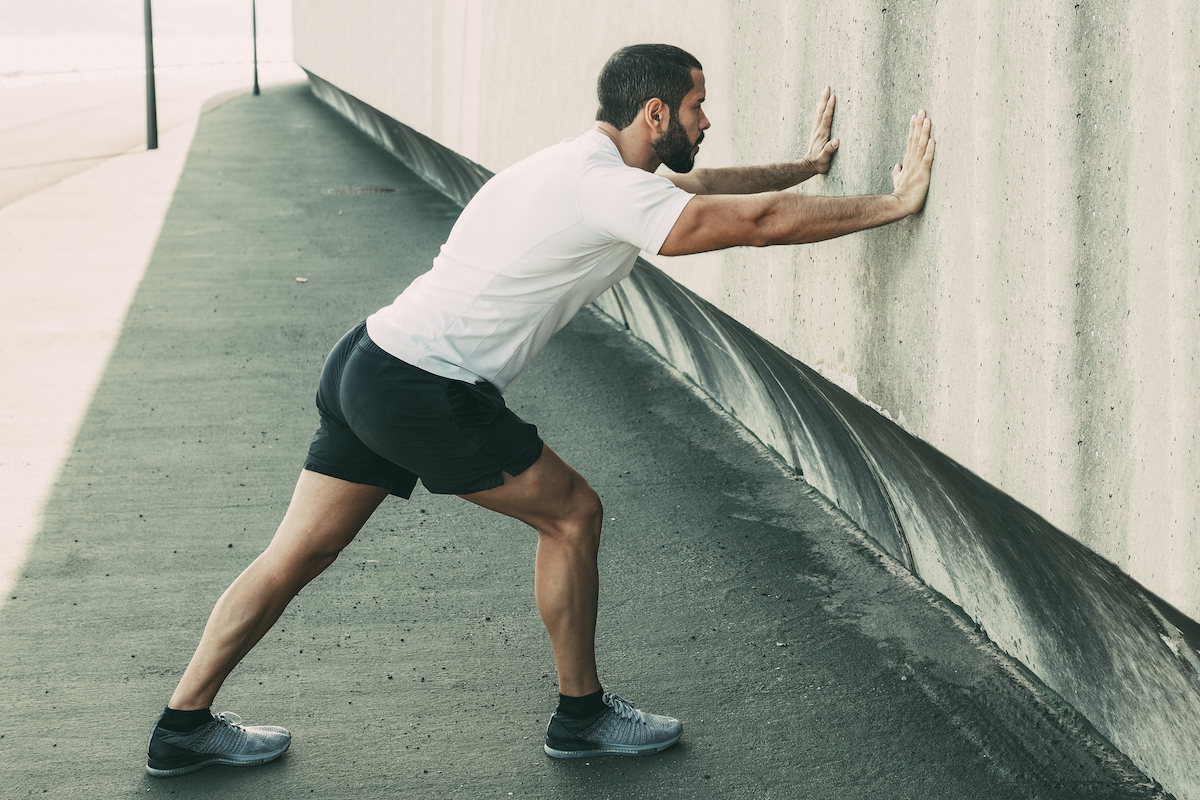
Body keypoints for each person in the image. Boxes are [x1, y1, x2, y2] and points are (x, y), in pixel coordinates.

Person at [145, 43, 935, 776]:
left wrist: (803, 167)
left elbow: (704, 188)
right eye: (697, 106)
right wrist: (895, 205)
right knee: (572, 516)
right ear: (653, 114)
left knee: (297, 554)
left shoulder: (580, 167)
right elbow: (751, 228)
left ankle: (182, 728)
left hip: (369, 358)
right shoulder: (603, 187)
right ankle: (582, 716)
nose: (707, 121)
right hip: (426, 385)